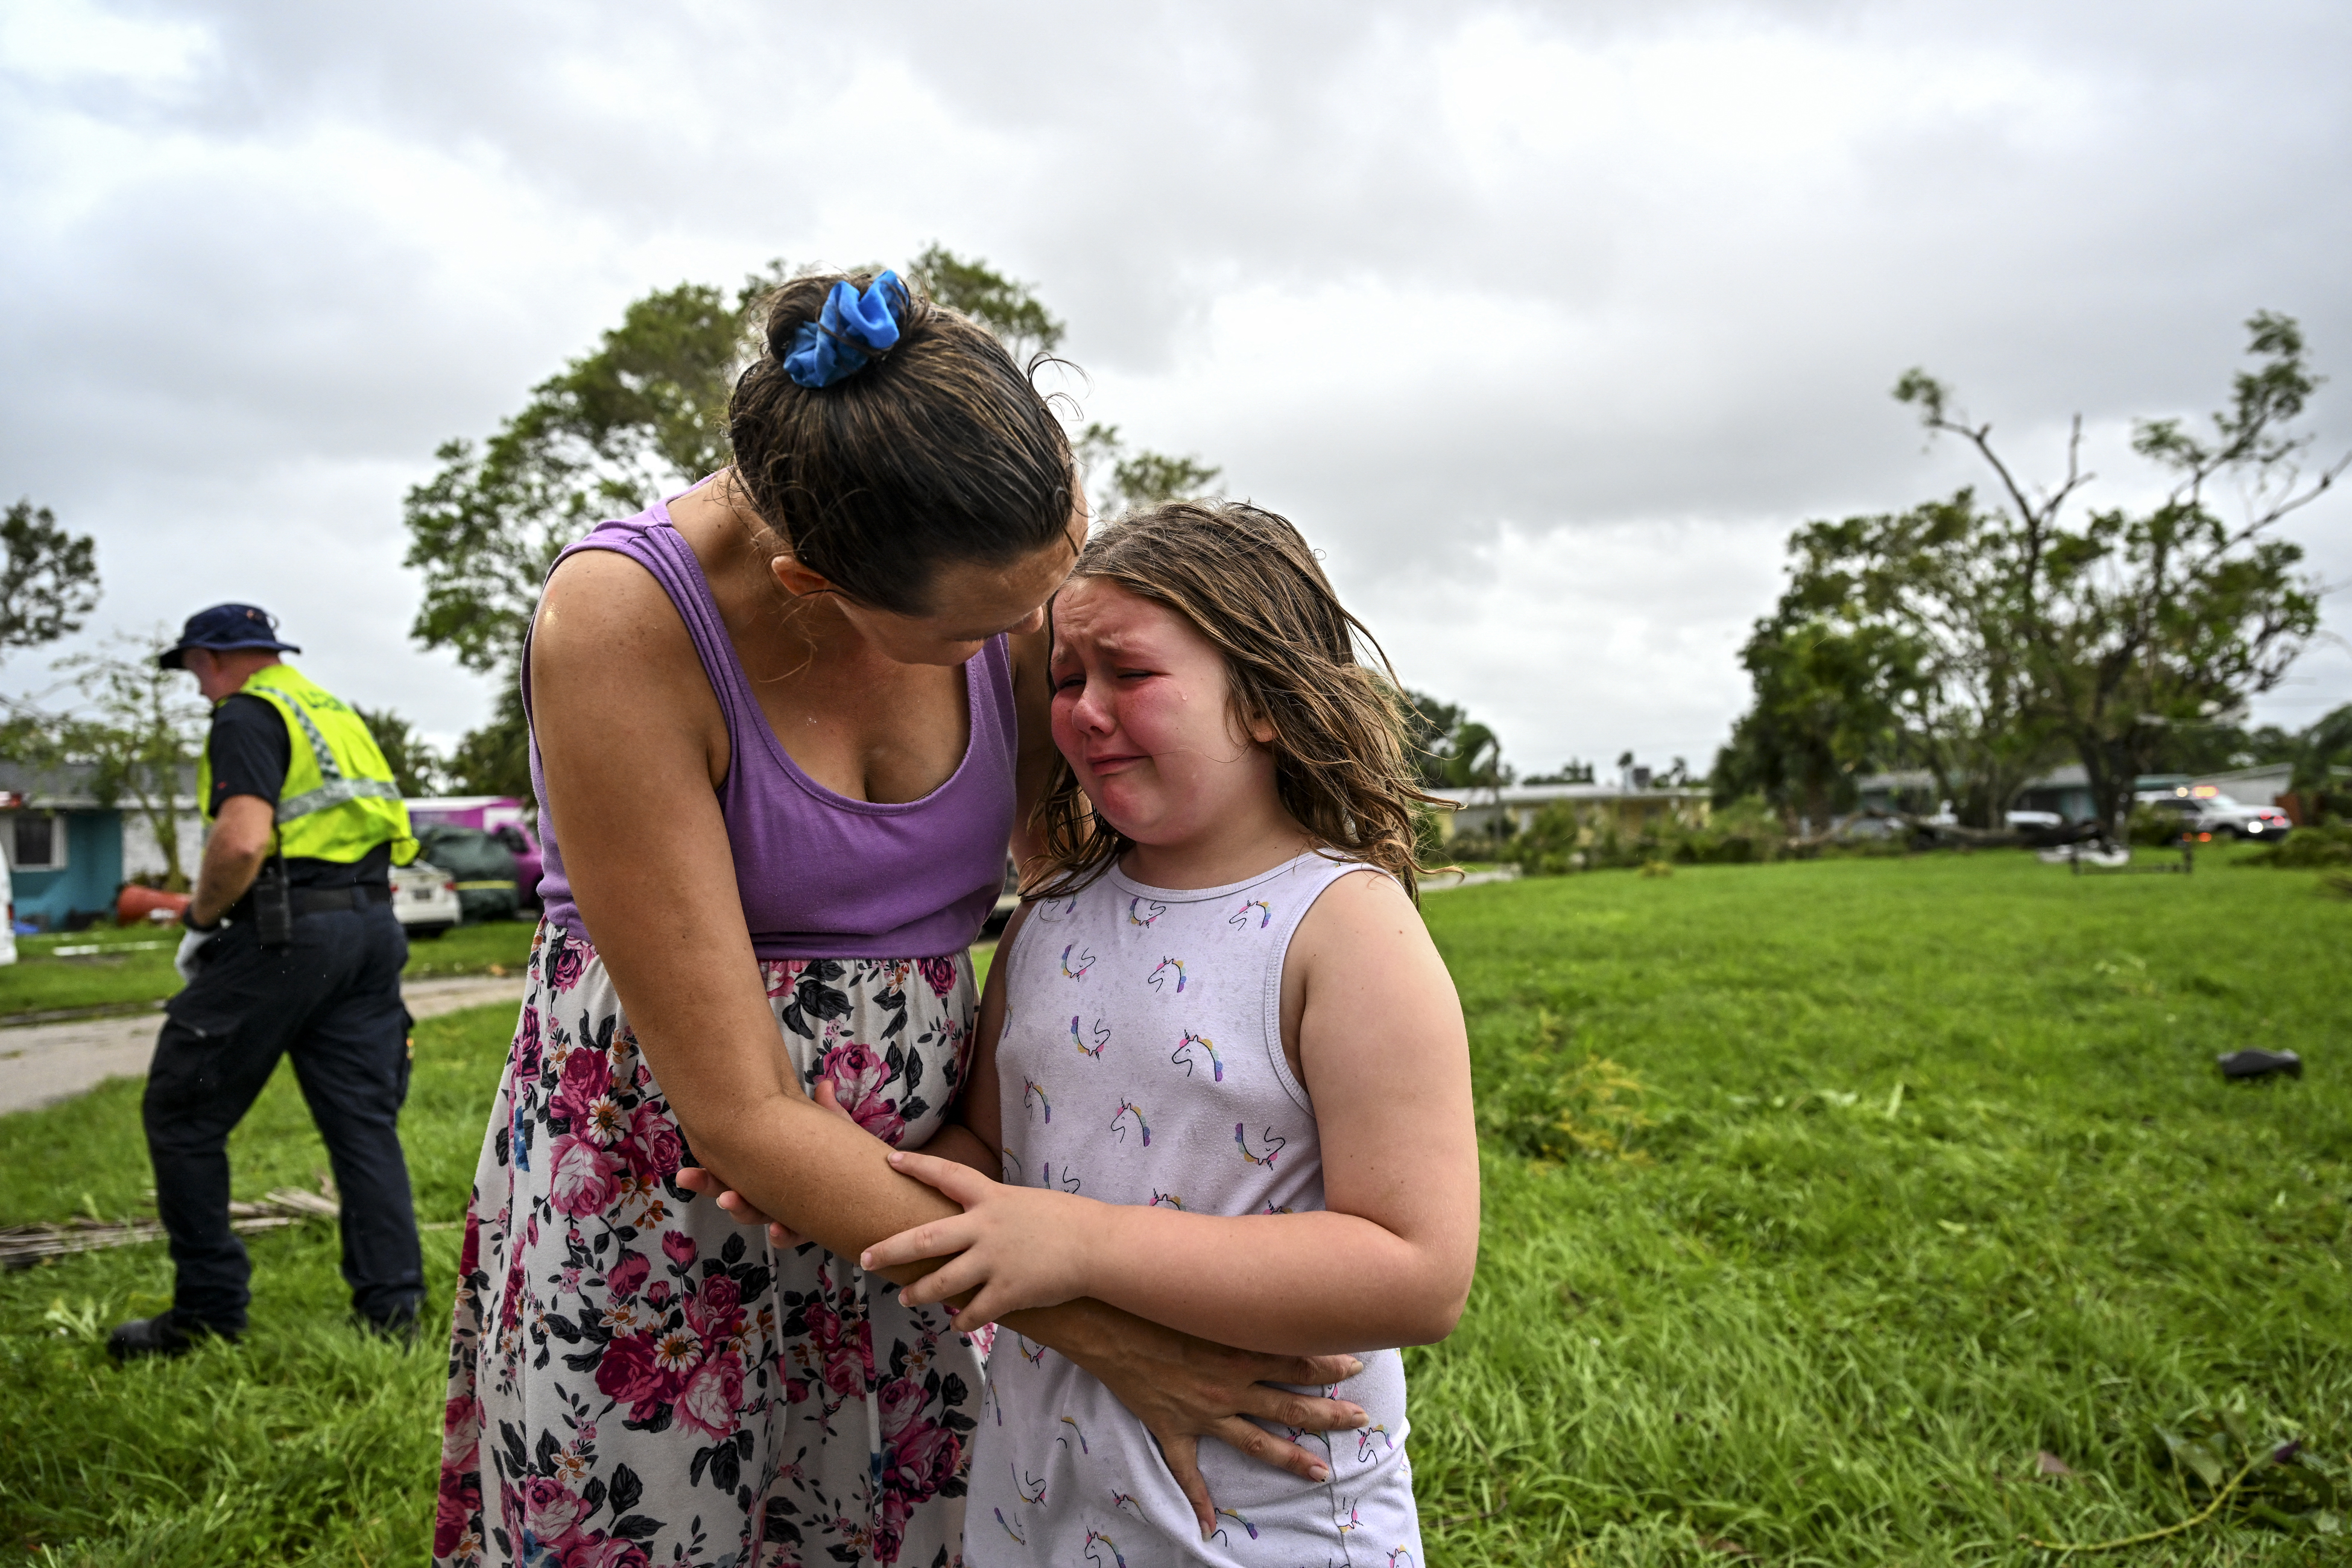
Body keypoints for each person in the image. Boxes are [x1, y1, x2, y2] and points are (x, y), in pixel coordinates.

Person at [435, 271, 1366, 1568]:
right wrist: (1105, 1330)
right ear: (810, 580)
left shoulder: (1000, 554)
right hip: (679, 1203)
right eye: (981, 630)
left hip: (940, 1208)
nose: (1034, 641)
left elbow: (1083, 922)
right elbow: (741, 1117)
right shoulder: (622, 620)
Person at [855, 500, 1481, 1564]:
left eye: (1131, 674)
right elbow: (992, 1150)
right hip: (1037, 1499)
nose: (1086, 712)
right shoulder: (1049, 918)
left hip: (1266, 1516)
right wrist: (844, 1168)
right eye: (1066, 680)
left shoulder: (1345, 928)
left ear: (1266, 700)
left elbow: (1417, 1270)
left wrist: (1078, 1243)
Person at [110, 603, 426, 1359]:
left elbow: (244, 840)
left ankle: (208, 1311)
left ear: (215, 657)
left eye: (194, 669)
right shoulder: (334, 713)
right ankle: (394, 1314)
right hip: (369, 929)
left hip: (286, 933)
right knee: (363, 1125)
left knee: (181, 1113)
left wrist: (201, 920)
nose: (197, 686)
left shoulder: (247, 713)